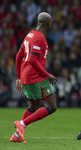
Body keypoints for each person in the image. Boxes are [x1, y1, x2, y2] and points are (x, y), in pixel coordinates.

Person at [10, 12, 58, 143]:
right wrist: (47, 75)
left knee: (34, 106)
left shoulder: (29, 35)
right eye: (51, 23)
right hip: (35, 77)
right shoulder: (39, 37)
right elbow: (32, 60)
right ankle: (22, 124)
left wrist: (19, 77)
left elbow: (19, 56)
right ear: (47, 24)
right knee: (52, 106)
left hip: (26, 76)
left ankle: (17, 135)